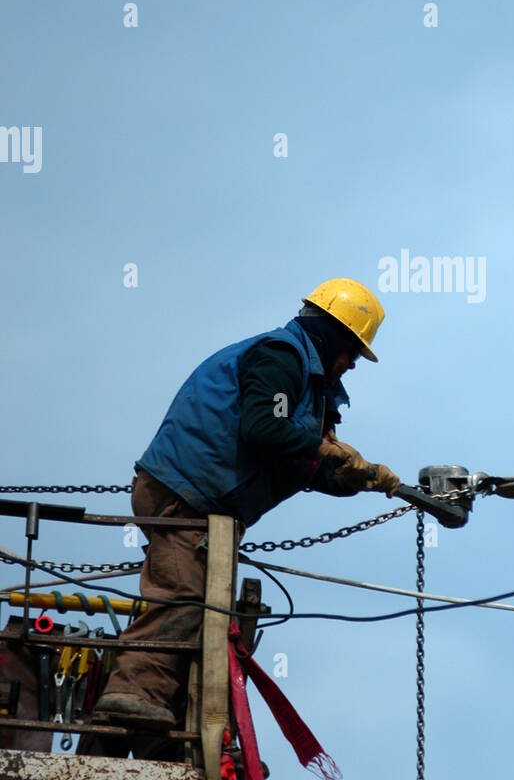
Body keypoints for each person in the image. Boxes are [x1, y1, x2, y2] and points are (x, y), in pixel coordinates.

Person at [94, 278, 399, 729]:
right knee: (186, 597)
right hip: (184, 493)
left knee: (205, 610)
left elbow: (299, 462)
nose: (351, 363)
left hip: (206, 505)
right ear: (331, 333)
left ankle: (162, 720)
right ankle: (131, 693)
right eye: (351, 349)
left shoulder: (310, 389)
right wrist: (327, 450)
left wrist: (360, 478)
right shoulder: (282, 358)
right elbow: (263, 428)